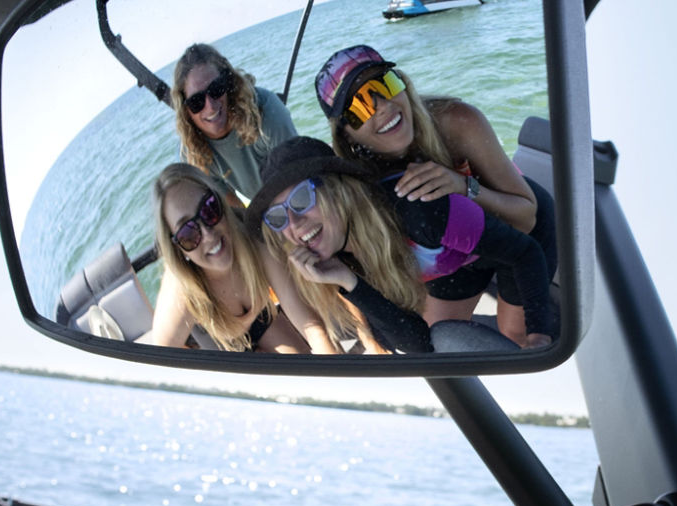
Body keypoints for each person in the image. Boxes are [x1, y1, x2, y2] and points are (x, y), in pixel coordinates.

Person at [316, 46, 558, 347]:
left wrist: (463, 186)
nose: (381, 106)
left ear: (402, 82)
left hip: (513, 229)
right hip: (451, 253)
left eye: (385, 84)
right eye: (360, 106)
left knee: (515, 335)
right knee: (437, 342)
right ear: (346, 135)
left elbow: (525, 215)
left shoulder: (456, 122)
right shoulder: (356, 187)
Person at [252, 138, 524, 355]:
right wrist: (348, 282)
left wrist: (532, 334)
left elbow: (521, 249)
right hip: (452, 264)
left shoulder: (415, 209)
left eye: (302, 199)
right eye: (277, 216)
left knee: (515, 336)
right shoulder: (344, 254)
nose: (294, 222)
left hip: (515, 239)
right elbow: (416, 344)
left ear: (339, 190)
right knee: (438, 338)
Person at [141, 164, 337, 354]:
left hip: (259, 318)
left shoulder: (253, 238)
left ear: (221, 202)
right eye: (188, 233)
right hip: (217, 344)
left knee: (303, 365)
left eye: (209, 209)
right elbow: (163, 363)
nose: (209, 235)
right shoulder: (182, 292)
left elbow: (311, 328)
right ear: (177, 248)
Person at [170, 43, 296, 200]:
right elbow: (232, 210)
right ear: (185, 110)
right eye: (196, 101)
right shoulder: (190, 154)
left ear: (228, 82)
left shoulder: (266, 111)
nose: (210, 106)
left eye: (216, 88)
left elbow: (298, 179)